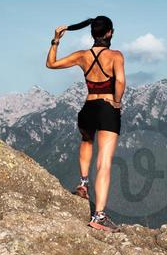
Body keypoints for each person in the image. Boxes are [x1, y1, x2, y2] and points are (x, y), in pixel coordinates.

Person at [46, 15, 125, 232]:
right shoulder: (116, 56)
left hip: (88, 108)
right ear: (109, 33)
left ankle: (83, 184)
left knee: (86, 141)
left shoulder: (82, 56)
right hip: (107, 109)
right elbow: (119, 81)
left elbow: (51, 64)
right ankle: (98, 217)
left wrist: (56, 40)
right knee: (104, 163)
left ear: (93, 34)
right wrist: (116, 102)